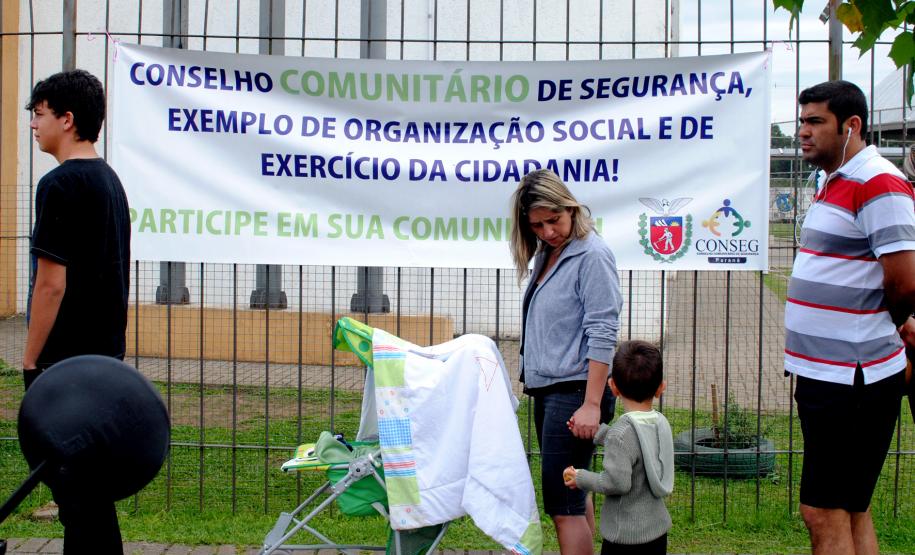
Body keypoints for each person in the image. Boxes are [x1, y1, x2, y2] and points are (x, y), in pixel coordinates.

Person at [786, 80, 915, 555]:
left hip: (850, 380)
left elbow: (905, 281)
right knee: (852, 507)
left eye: (816, 121)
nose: (803, 132)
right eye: (802, 121)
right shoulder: (833, 180)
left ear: (851, 125)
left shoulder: (878, 182)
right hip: (834, 375)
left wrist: (888, 327)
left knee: (822, 511)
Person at [22, 69, 131, 554]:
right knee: (89, 492)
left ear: (67, 119)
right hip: (105, 358)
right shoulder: (110, 181)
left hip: (64, 361)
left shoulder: (59, 185)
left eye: (39, 114)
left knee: (75, 489)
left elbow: (50, 284)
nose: (33, 124)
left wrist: (29, 360)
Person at [509, 169, 623, 555]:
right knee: (577, 492)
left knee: (563, 508)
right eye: (537, 225)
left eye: (554, 220)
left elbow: (603, 332)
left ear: (571, 208)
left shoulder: (591, 254)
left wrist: (592, 404)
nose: (547, 231)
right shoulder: (549, 252)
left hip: (575, 393)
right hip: (554, 391)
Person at [563, 340, 673, 555]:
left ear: (612, 387)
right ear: (661, 387)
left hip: (625, 537)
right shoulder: (659, 422)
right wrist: (601, 433)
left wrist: (580, 478)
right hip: (657, 531)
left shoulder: (623, 432)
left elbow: (617, 483)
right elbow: (637, 447)